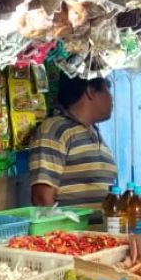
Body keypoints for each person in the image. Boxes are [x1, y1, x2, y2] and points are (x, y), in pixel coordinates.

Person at [28, 74, 117, 215]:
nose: (112, 100)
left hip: (98, 234)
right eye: (108, 90)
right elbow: (42, 198)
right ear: (91, 92)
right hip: (72, 234)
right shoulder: (55, 130)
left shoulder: (94, 132)